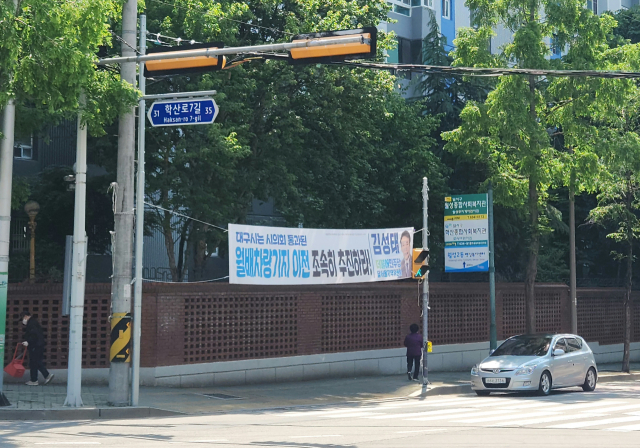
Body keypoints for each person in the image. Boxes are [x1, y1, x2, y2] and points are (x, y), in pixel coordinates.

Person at [20, 310, 54, 386]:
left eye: (23, 319)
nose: (23, 321)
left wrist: (28, 342)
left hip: (35, 346)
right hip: (37, 345)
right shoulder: (33, 322)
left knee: (35, 362)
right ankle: (35, 379)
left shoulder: (31, 324)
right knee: (34, 362)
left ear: (25, 316)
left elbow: (34, 335)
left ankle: (45, 376)